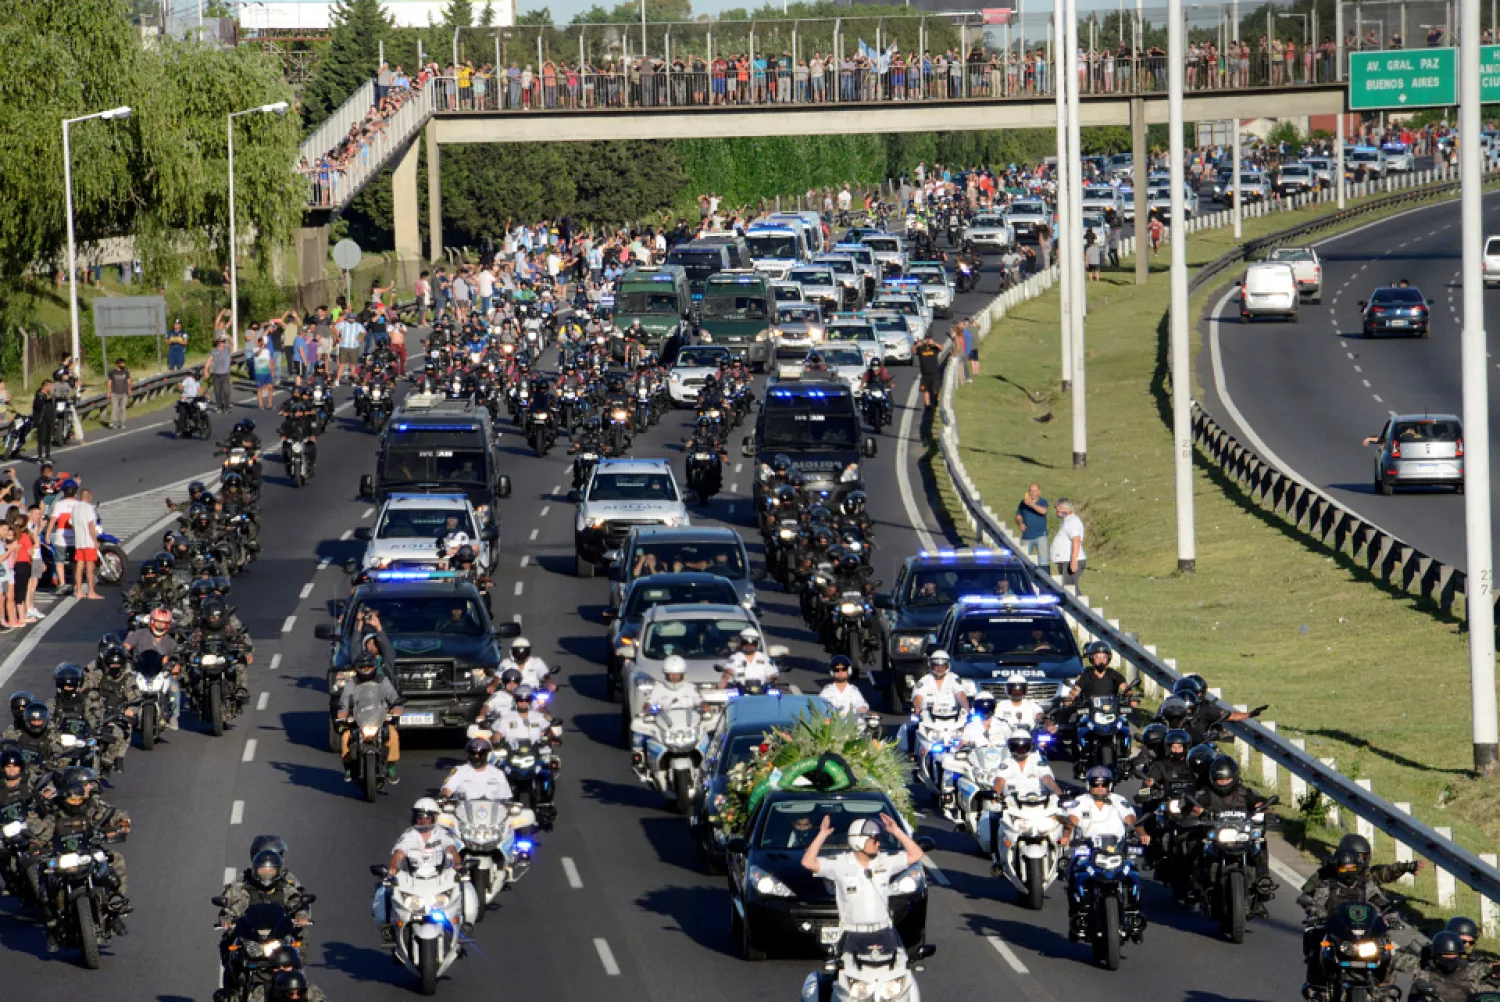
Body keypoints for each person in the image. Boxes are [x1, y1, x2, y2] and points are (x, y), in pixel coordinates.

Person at [799, 812, 924, 954]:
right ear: (858, 841)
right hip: (852, 933)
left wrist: (896, 831)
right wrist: (822, 834)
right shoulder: (840, 863)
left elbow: (917, 854)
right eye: (874, 840)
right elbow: (807, 862)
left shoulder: (886, 861)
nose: (879, 843)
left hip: (883, 931)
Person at [1061, 765, 1142, 940]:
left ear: (1109, 785)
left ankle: (1133, 915)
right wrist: (1067, 836)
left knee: (1133, 874)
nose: (1099, 788)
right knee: (1074, 875)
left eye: (1103, 784)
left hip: (1117, 850)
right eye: (1095, 784)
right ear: (1089, 785)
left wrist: (1140, 833)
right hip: (1088, 851)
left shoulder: (1119, 800)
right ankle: (1078, 918)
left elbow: (1131, 818)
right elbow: (1071, 821)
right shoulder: (1081, 801)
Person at [377, 799, 465, 943]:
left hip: (440, 879)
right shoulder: (409, 835)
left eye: (426, 818)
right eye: (419, 817)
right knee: (386, 889)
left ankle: (465, 924)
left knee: (465, 884)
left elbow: (451, 848)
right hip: (413, 880)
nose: (423, 821)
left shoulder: (442, 833)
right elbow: (399, 852)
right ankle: (389, 928)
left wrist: (458, 864)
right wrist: (392, 867)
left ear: (434, 818)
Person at [336, 653, 402, 785]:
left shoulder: (382, 680)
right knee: (346, 737)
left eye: (369, 667)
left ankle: (391, 766)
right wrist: (342, 713)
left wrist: (397, 706)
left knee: (392, 735)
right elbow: (344, 700)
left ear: (374, 667)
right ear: (357, 668)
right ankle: (349, 767)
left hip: (379, 718)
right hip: (358, 719)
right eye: (363, 667)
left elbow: (393, 695)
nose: (366, 670)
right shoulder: (352, 683)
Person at [440, 737, 514, 802]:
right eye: (473, 753)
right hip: (462, 814)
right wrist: (444, 796)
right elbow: (447, 789)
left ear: (487, 754)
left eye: (481, 753)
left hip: (493, 814)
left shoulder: (497, 773)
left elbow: (506, 797)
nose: (476, 756)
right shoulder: (459, 770)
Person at [1049, 497, 1085, 586]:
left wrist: (1073, 561)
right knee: (1068, 587)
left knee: (1070, 589)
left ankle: (1076, 600)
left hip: (1069, 560)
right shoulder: (1067, 521)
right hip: (1065, 560)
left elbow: (1076, 540)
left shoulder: (1072, 521)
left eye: (1059, 509)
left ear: (1066, 509)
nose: (1057, 512)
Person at [1013, 483, 1049, 562]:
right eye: (1030, 491)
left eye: (1034, 491)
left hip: (1041, 535)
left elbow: (1044, 511)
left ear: (1039, 492)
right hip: (1027, 535)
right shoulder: (1023, 502)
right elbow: (1018, 516)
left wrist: (1031, 504)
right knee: (1024, 559)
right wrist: (1020, 523)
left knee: (1043, 560)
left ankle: (1044, 573)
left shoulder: (1043, 501)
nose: (1032, 493)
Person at [914, 332, 943, 408]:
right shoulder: (921, 349)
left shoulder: (934, 348)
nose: (927, 341)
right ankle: (927, 405)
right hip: (925, 373)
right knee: (925, 390)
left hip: (934, 372)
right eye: (926, 339)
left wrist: (934, 343)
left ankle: (935, 401)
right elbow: (913, 351)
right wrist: (917, 344)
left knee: (935, 389)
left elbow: (941, 348)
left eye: (929, 339)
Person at [205, 335, 234, 413]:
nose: (222, 343)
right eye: (221, 342)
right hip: (216, 374)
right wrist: (206, 370)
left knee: (226, 391)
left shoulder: (227, 350)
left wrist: (228, 337)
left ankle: (227, 407)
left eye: (224, 342)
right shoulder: (214, 351)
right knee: (217, 392)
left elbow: (232, 344)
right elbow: (209, 360)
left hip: (225, 374)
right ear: (218, 343)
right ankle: (219, 407)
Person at [31, 378, 56, 462]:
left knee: (48, 437)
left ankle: (48, 456)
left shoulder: (51, 394)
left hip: (50, 418)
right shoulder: (39, 394)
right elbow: (37, 406)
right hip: (42, 419)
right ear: (45, 386)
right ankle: (40, 456)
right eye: (50, 386)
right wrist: (44, 398)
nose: (51, 387)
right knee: (41, 438)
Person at [105, 358, 131, 429]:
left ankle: (122, 423)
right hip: (114, 393)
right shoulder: (112, 372)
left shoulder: (126, 372)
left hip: (124, 393)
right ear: (118, 364)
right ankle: (114, 422)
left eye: (124, 363)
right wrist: (108, 392)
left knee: (123, 408)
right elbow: (109, 383)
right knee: (115, 408)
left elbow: (129, 381)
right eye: (122, 363)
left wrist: (129, 389)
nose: (123, 365)